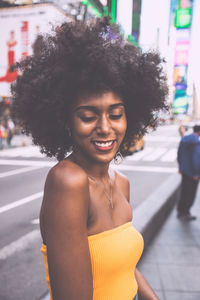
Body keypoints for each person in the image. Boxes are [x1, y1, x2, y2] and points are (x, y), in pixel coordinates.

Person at [12, 17, 168, 300]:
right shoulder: (68, 181)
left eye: (116, 114)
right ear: (66, 120)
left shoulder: (121, 183)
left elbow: (124, 267)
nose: (106, 127)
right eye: (88, 116)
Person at [177, 124, 200, 221]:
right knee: (190, 193)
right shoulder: (195, 142)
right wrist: (196, 173)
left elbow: (179, 154)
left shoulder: (185, 139)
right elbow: (196, 158)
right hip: (192, 173)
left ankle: (181, 212)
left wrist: (181, 167)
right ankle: (185, 213)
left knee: (184, 192)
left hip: (185, 171)